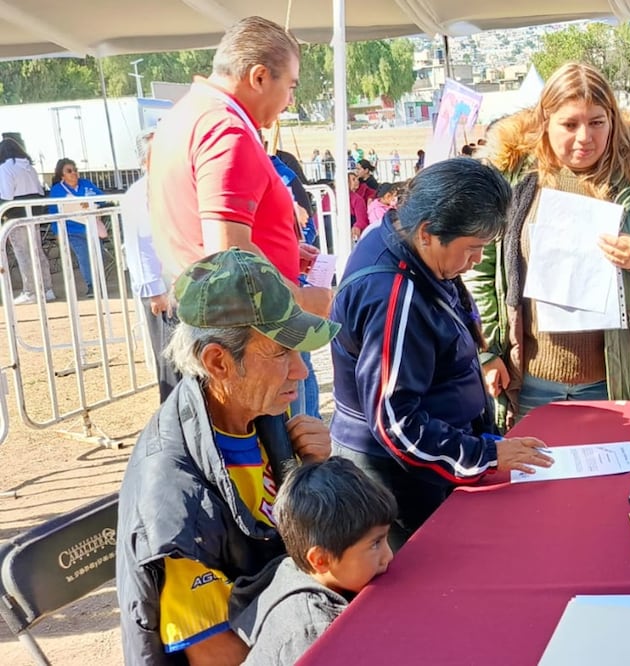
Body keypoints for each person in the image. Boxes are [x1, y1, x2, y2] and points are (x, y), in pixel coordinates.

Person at [116, 248, 339, 665]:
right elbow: (219, 656)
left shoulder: (258, 412)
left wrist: (313, 477)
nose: (302, 372)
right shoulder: (176, 498)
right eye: (281, 353)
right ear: (218, 361)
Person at [331, 158, 554, 550]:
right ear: (428, 232)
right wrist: (484, 454)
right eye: (472, 249)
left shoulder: (410, 249)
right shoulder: (393, 296)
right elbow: (396, 423)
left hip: (429, 460)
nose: (476, 262)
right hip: (398, 477)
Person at [465, 62, 630, 425]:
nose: (585, 137)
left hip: (613, 380)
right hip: (530, 383)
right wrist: (487, 353)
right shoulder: (510, 179)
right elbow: (478, 271)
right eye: (570, 124)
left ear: (612, 120)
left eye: (597, 122)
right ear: (545, 120)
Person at [148, 16, 331, 320]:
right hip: (247, 330)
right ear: (259, 77)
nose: (290, 100)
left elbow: (212, 233)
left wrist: (279, 252)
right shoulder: (227, 132)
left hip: (212, 312)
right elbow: (229, 256)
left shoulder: (186, 115)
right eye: (290, 86)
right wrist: (298, 298)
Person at [229, 458, 397, 665]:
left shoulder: (302, 570)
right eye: (375, 544)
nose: (388, 556)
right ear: (320, 560)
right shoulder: (312, 631)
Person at [120, 130, 179, 403]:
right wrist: (155, 291)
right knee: (171, 361)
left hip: (180, 283)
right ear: (145, 161)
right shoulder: (138, 195)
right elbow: (138, 244)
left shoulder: (172, 186)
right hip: (162, 290)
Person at [0, 137, 54, 304]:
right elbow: (39, 190)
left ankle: (30, 291)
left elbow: (6, 195)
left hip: (16, 215)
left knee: (23, 254)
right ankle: (47, 289)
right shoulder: (29, 167)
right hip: (33, 213)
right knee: (37, 251)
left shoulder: (5, 168)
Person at [47, 158, 104, 297]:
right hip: (72, 230)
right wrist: (57, 233)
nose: (74, 173)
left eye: (75, 170)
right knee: (84, 256)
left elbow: (102, 198)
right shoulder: (57, 190)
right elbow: (53, 213)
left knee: (98, 254)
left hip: (92, 227)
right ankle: (92, 285)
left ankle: (99, 283)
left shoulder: (86, 184)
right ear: (62, 175)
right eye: (69, 171)